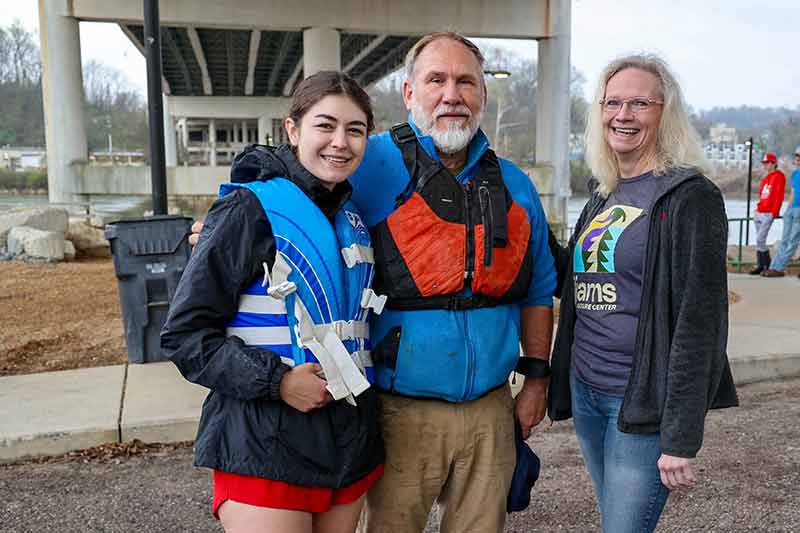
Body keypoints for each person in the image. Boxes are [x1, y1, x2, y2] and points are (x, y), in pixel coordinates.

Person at [191, 32, 556, 533]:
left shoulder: (516, 184)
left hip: (488, 407)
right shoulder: (364, 164)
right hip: (394, 406)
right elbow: (292, 192)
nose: (452, 94)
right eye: (436, 80)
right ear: (409, 93)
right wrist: (220, 228)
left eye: (466, 81)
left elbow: (538, 289)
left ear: (483, 95)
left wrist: (536, 378)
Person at [161, 71, 385, 533]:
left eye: (355, 130)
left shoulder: (352, 216)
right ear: (292, 129)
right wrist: (278, 382)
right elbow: (185, 336)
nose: (340, 142)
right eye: (325, 125)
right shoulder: (246, 210)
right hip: (263, 441)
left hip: (346, 442)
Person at [546, 54, 739, 533]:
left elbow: (702, 323)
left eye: (639, 103)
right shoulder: (603, 191)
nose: (623, 115)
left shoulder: (690, 196)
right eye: (613, 102)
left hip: (640, 402)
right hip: (587, 389)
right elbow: (573, 279)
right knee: (614, 517)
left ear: (664, 112)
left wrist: (680, 435)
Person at [762, 148, 800, 277]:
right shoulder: (795, 174)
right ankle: (773, 267)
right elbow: (793, 193)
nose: (797, 158)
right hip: (791, 209)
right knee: (785, 240)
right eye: (796, 156)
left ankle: (779, 268)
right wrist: (787, 210)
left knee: (792, 241)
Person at [749, 152, 785, 275]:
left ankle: (767, 265)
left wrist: (774, 212)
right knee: (759, 240)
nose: (765, 165)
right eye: (764, 163)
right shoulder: (766, 178)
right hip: (760, 211)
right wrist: (757, 209)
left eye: (767, 163)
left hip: (769, 212)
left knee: (760, 238)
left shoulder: (779, 176)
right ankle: (761, 266)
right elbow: (762, 195)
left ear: (774, 163)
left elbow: (779, 195)